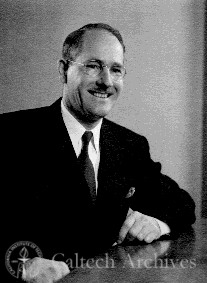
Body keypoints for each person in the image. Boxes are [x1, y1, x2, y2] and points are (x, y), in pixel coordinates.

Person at [0, 23, 195, 281]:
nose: (106, 81)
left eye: (116, 70)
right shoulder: (9, 135)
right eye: (93, 66)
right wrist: (21, 265)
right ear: (64, 70)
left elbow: (182, 204)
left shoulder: (130, 145)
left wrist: (158, 224)